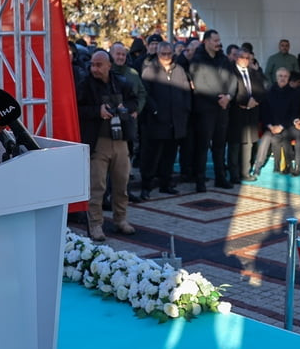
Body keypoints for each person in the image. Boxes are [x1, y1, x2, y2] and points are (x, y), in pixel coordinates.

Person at [76, 50, 139, 240]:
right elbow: (77, 109)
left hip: (120, 141)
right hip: (98, 142)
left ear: (109, 65)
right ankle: (95, 224)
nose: (94, 69)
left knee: (121, 184)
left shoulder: (122, 82)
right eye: (92, 65)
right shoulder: (85, 84)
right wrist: (98, 111)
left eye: (99, 65)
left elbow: (135, 101)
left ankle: (121, 220)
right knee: (97, 186)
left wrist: (124, 109)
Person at [139, 42, 190, 197]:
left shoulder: (179, 70)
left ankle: (165, 184)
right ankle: (146, 187)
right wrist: (155, 111)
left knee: (170, 155)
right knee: (152, 157)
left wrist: (185, 111)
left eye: (169, 54)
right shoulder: (150, 70)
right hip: (157, 122)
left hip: (175, 122)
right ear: (158, 54)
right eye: (163, 54)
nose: (166, 57)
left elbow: (186, 92)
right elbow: (145, 94)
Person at [188, 30, 236, 191]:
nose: (218, 43)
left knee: (220, 145)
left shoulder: (223, 59)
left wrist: (228, 97)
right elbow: (200, 84)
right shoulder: (197, 60)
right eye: (215, 40)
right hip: (205, 109)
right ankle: (200, 180)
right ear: (206, 41)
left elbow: (233, 79)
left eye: (219, 40)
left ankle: (220, 177)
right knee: (203, 146)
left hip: (223, 109)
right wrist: (218, 99)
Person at [249, 67, 300, 178]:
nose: (282, 78)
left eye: (285, 76)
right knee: (265, 138)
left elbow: (294, 114)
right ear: (275, 77)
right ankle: (258, 166)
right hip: (270, 126)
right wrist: (270, 126)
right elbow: (264, 112)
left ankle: (286, 166)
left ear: (288, 78)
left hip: (286, 127)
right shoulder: (268, 92)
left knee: (279, 137)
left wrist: (281, 126)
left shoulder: (294, 93)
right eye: (280, 76)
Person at [227, 48, 266, 183]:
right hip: (237, 113)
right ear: (236, 58)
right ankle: (234, 175)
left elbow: (261, 89)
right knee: (235, 145)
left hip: (251, 114)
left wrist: (254, 100)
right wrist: (245, 102)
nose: (245, 60)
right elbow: (232, 92)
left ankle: (245, 172)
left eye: (247, 58)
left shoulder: (254, 73)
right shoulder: (230, 71)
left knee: (248, 144)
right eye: (242, 57)